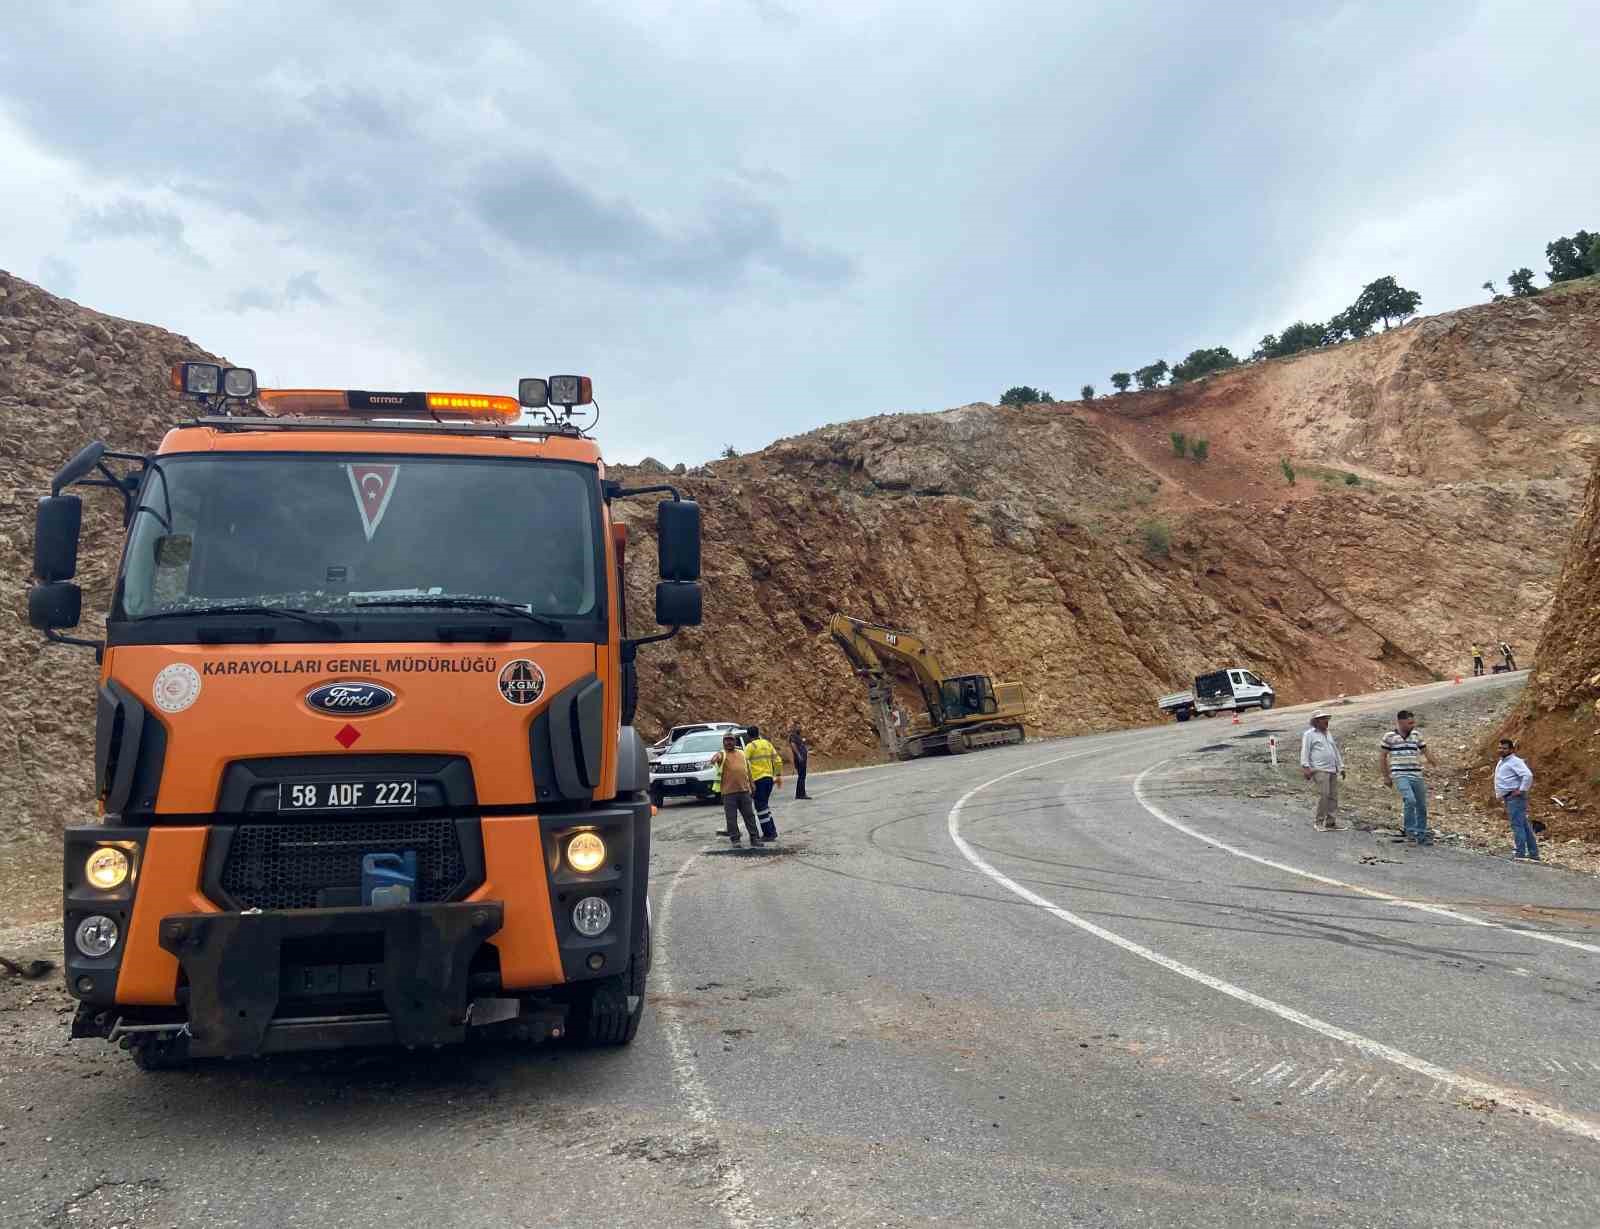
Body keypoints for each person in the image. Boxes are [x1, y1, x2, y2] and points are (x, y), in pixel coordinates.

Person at [1379, 709, 1437, 845]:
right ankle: (1410, 831)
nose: (1413, 725)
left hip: (1416, 774)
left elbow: (1425, 751)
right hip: (1400, 774)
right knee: (1410, 800)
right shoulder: (1389, 737)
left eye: (1413, 722)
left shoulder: (1416, 735)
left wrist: (1434, 763)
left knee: (1421, 805)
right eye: (1409, 722)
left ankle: (1421, 834)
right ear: (1400, 722)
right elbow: (1382, 756)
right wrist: (1386, 777)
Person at [712, 734, 763, 847]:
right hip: (728, 792)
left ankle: (754, 838)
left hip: (744, 790)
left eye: (731, 740)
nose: (729, 742)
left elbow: (748, 769)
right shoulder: (722, 754)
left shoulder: (741, 753)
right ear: (723, 742)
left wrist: (752, 783)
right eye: (726, 740)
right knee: (731, 818)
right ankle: (735, 840)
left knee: (749, 816)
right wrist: (714, 759)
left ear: (735, 742)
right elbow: (715, 758)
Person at [1300, 711, 1346, 831]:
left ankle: (1331, 822)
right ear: (1316, 722)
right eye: (1323, 719)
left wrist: (1341, 766)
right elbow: (1305, 751)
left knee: (1333, 796)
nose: (1326, 721)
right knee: (1324, 795)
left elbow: (1334, 750)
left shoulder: (1328, 733)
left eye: (1327, 719)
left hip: (1332, 769)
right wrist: (1305, 767)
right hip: (1319, 769)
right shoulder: (1309, 734)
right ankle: (1318, 822)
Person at [1493, 738, 1538, 861]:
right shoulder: (1504, 761)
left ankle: (1520, 853)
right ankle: (1533, 854)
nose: (1501, 750)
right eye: (1500, 748)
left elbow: (1528, 775)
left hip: (1515, 797)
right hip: (1510, 797)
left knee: (1517, 825)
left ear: (1511, 749)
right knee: (1524, 825)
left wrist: (1521, 790)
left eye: (1504, 748)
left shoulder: (1514, 761)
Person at [744, 725, 783, 841]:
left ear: (749, 736)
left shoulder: (750, 746)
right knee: (764, 806)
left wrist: (747, 780)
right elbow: (778, 760)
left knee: (760, 807)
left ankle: (768, 834)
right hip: (769, 779)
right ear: (758, 733)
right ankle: (772, 831)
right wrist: (778, 775)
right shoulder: (767, 744)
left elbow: (744, 763)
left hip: (758, 780)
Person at [788, 726, 810, 800]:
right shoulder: (793, 736)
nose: (800, 728)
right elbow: (793, 745)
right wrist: (799, 755)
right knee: (801, 776)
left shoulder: (798, 736)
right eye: (798, 726)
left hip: (802, 759)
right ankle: (801, 794)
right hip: (799, 759)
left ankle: (800, 793)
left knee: (802, 776)